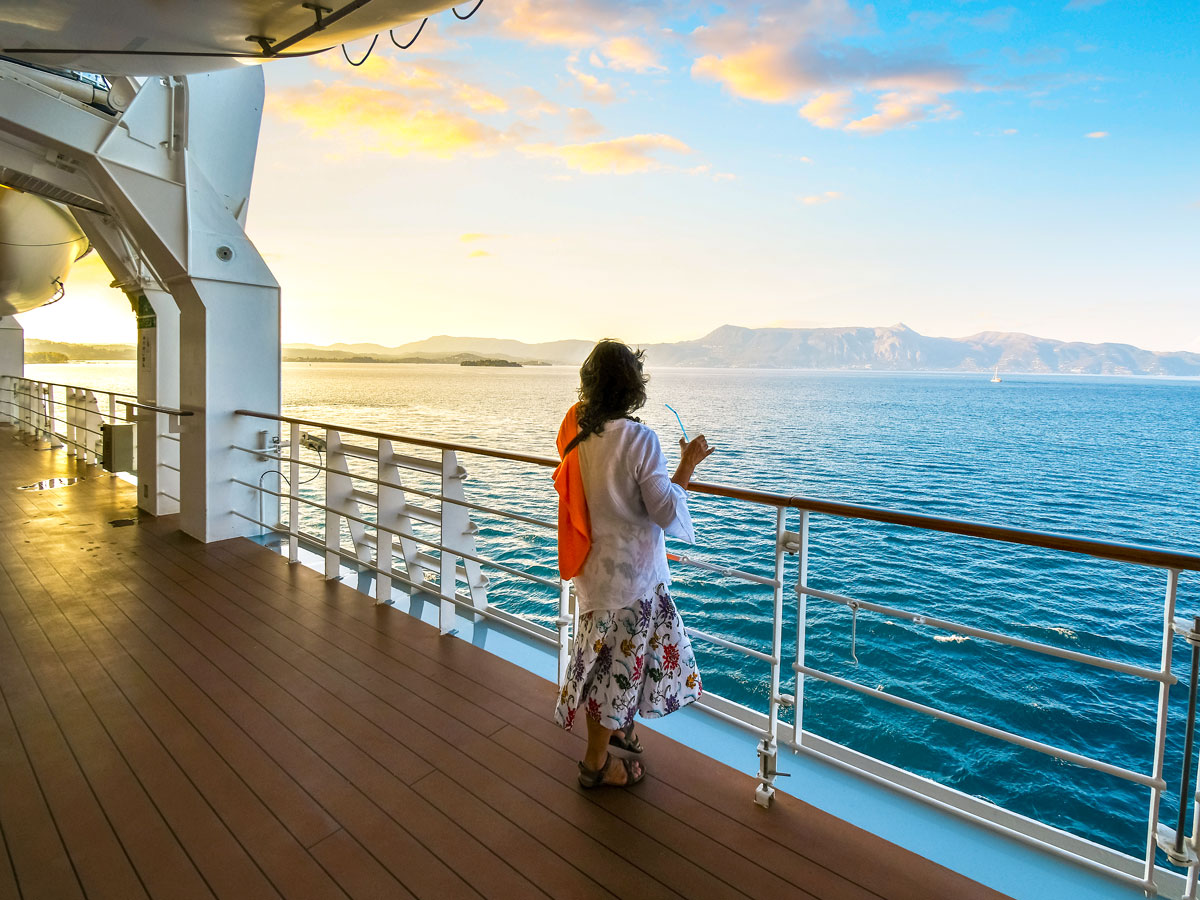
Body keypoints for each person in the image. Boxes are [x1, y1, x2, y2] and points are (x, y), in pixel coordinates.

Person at [553, 339, 714, 788]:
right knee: (614, 676)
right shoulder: (641, 440)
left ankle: (620, 731)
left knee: (610, 665)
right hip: (634, 585)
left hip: (595, 576)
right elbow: (663, 511)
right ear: (633, 389)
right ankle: (595, 765)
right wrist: (687, 463)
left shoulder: (577, 436)